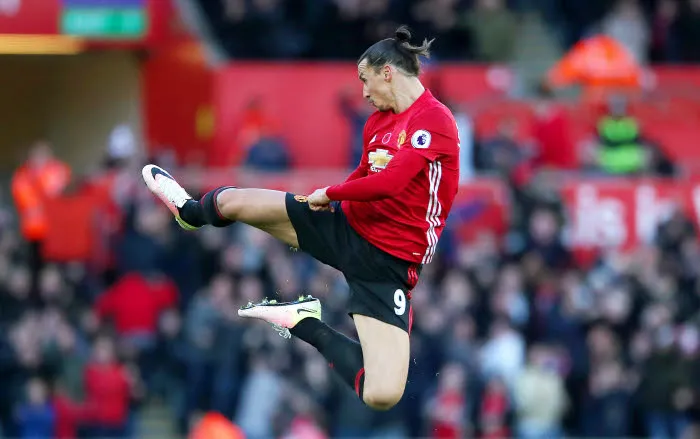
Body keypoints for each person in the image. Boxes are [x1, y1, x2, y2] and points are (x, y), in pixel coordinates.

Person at [142, 25, 460, 411]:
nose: (362, 91)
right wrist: (333, 197)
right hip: (347, 228)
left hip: (387, 265)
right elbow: (363, 174)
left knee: (381, 395)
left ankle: (303, 322)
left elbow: (391, 183)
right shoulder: (377, 122)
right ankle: (191, 213)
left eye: (365, 80)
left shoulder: (435, 120)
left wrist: (332, 192)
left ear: (387, 73)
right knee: (236, 204)